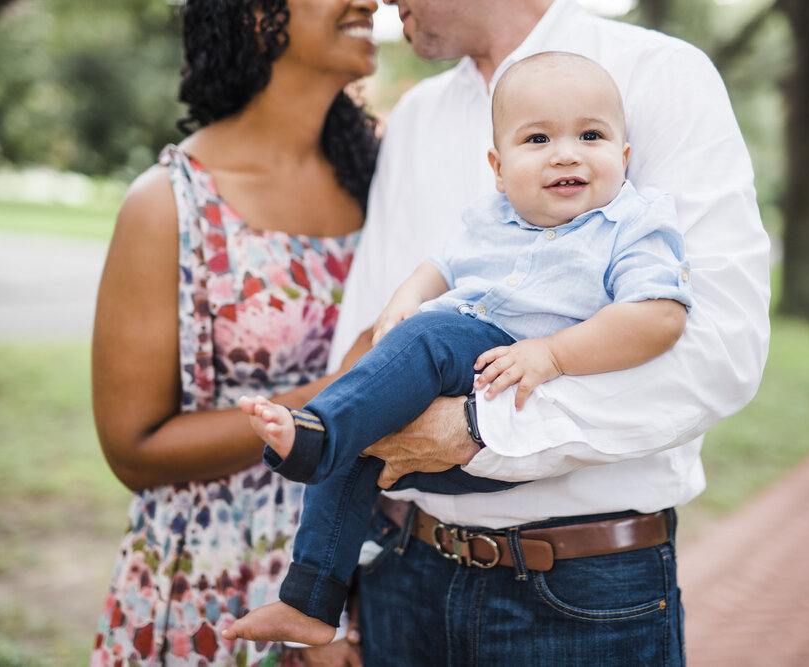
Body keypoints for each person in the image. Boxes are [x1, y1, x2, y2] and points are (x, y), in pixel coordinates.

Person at [325, 1, 773, 665]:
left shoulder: (660, 76)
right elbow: (366, 341)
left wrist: (477, 428)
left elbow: (718, 352)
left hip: (580, 593)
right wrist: (338, 593)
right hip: (398, 578)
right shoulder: (416, 115)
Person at [223, 52, 693, 646]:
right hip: (446, 478)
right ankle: (311, 599)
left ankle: (319, 433)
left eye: (591, 135)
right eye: (539, 138)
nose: (567, 152)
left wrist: (551, 355)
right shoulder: (493, 217)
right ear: (499, 169)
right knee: (366, 444)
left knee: (426, 336)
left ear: (623, 158)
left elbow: (659, 318)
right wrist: (407, 294)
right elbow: (441, 264)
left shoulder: (631, 222)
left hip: (505, 387)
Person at [89, 0, 381, 664]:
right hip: (216, 581)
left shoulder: (377, 182)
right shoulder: (169, 203)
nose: (368, 0)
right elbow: (133, 447)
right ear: (255, 13)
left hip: (362, 581)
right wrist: (336, 392)